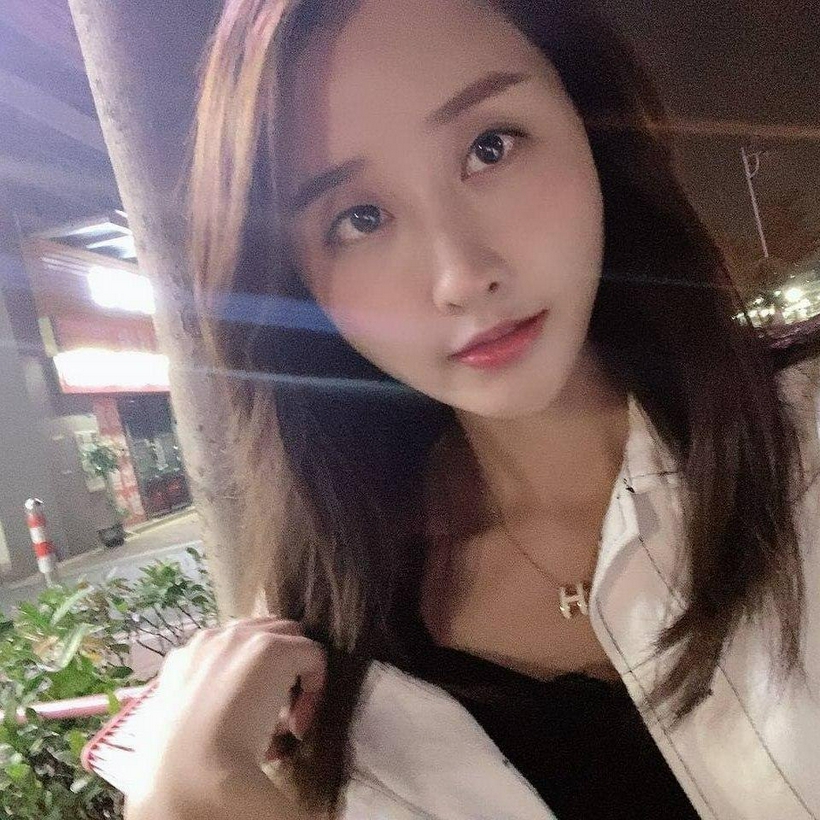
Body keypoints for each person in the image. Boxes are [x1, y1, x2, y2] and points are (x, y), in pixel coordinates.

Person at [125, 0, 820, 818]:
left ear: (588, 122)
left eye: (491, 147)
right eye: (359, 218)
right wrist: (192, 791)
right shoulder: (323, 662)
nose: (461, 275)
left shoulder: (802, 436)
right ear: (293, 284)